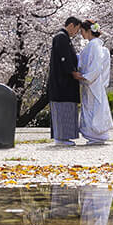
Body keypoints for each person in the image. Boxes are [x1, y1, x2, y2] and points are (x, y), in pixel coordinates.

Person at [47, 16, 83, 145]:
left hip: (64, 83)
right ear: (72, 25)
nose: (77, 33)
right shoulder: (61, 37)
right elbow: (64, 58)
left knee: (66, 109)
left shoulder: (64, 38)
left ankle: (63, 137)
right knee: (62, 109)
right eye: (77, 29)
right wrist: (73, 72)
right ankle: (61, 138)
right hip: (62, 83)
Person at [77, 19, 113, 144]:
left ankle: (96, 136)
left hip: (91, 83)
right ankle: (98, 135)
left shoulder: (93, 45)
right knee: (96, 109)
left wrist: (84, 77)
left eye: (82, 31)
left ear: (88, 31)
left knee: (92, 110)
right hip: (96, 84)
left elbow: (96, 66)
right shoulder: (100, 47)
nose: (81, 34)